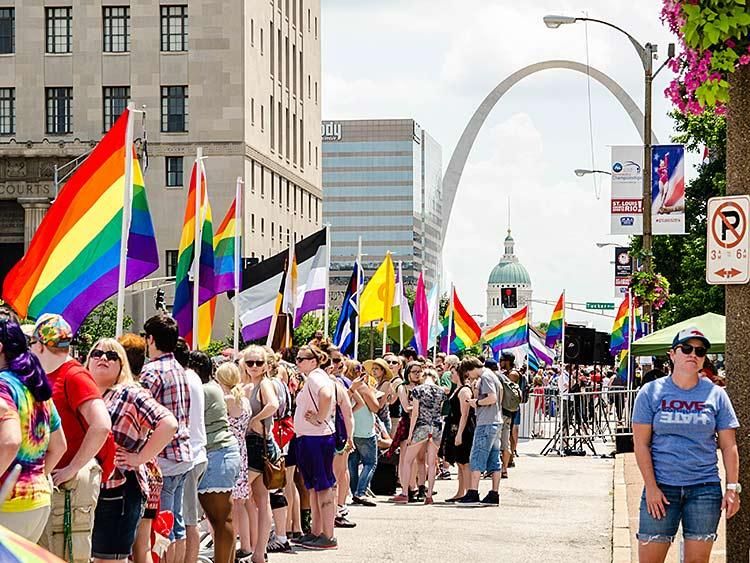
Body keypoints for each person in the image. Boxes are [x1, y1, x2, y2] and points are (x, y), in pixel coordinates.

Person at [632, 327, 740, 563]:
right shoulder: (651, 392)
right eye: (687, 348)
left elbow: (729, 445)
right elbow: (640, 444)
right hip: (661, 488)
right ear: (672, 354)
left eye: (700, 351)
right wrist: (650, 486)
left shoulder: (717, 395)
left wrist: (732, 488)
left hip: (704, 490)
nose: (693, 354)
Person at [86, 339, 177, 563]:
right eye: (97, 353)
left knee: (109, 560)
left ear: (122, 364)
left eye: (112, 355)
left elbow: (168, 423)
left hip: (120, 488)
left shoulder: (130, 393)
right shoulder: (83, 392)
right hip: (88, 489)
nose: (103, 358)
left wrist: (140, 457)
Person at [31, 313, 113, 562]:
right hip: (57, 481)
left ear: (41, 344)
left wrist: (72, 467)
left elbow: (101, 424)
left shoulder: (73, 375)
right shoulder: (51, 374)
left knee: (67, 554)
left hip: (70, 485)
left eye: (32, 343)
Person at [0, 311, 67, 541]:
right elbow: (59, 446)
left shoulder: (3, 387)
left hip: (8, 505)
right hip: (38, 501)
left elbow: (10, 441)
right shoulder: (34, 385)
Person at [139, 314, 193, 563]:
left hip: (163, 456)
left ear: (151, 339)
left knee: (163, 524)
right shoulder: (180, 369)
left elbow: (139, 413)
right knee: (176, 520)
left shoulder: (152, 371)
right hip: (182, 452)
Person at [118, 332, 163, 563]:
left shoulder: (128, 393)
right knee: (143, 544)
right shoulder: (144, 390)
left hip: (132, 471)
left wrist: (137, 458)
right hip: (151, 469)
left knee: (122, 547)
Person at [193, 352, 241, 563]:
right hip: (220, 453)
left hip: (217, 454)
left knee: (221, 520)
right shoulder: (212, 388)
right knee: (221, 520)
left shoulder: (204, 390)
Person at [291, 345, 338, 550]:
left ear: (313, 361)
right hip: (311, 437)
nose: (298, 361)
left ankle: (327, 534)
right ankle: (318, 532)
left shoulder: (315, 377)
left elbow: (327, 394)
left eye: (302, 359)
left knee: (323, 486)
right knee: (314, 487)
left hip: (316, 438)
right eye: (298, 358)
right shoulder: (313, 377)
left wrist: (320, 417)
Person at [241, 345, 280, 562]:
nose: (254, 366)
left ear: (266, 365)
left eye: (258, 362)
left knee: (240, 495)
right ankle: (258, 552)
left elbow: (273, 405)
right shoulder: (249, 385)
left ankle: (252, 548)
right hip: (255, 444)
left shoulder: (264, 384)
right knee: (260, 499)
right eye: (250, 362)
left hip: (259, 444)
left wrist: (255, 419)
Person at [215, 360, 253, 559]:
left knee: (229, 503)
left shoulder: (227, 399)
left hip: (227, 449)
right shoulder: (244, 399)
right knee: (240, 503)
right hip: (241, 449)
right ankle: (245, 545)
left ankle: (231, 546)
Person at [397, 368, 446, 505]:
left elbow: (415, 413)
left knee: (407, 460)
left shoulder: (418, 390)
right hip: (436, 427)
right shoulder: (441, 391)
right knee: (431, 463)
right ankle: (429, 495)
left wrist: (411, 433)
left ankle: (405, 493)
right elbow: (439, 411)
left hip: (421, 427)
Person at [459, 356, 502, 506]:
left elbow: (492, 398)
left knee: (477, 456)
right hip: (496, 421)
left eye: (468, 374)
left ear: (471, 369)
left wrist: (475, 402)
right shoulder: (493, 375)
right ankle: (494, 493)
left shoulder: (485, 377)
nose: (468, 377)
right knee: (494, 459)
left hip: (486, 422)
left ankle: (473, 492)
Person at [179, 342, 208, 563]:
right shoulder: (193, 377)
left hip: (189, 455)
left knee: (187, 519)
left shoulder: (183, 378)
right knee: (189, 518)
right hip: (197, 452)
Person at [441, 359, 475, 502]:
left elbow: (465, 414)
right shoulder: (458, 389)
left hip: (463, 429)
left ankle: (468, 491)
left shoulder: (464, 391)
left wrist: (459, 434)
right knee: (460, 463)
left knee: (464, 462)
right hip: (455, 427)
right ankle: (461, 492)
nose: (451, 375)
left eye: (453, 372)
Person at [348, 363, 381, 507]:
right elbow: (375, 407)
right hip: (365, 430)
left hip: (352, 429)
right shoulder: (362, 387)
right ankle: (360, 492)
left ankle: (354, 490)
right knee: (370, 463)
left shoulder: (344, 385)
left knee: (352, 463)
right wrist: (373, 394)